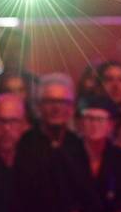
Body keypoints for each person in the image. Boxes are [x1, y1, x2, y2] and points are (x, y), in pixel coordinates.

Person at [12, 73, 91, 212]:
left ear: (71, 107)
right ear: (38, 106)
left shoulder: (77, 144)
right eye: (50, 101)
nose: (56, 108)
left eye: (63, 102)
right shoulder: (24, 144)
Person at [78, 94, 121, 212]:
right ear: (81, 123)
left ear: (110, 125)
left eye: (100, 119)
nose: (94, 124)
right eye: (89, 118)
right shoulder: (68, 156)